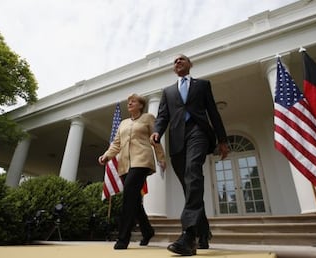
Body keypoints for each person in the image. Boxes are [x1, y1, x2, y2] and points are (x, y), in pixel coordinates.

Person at [150, 54, 229, 256]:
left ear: (190, 65)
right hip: (177, 139)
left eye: (182, 59)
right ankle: (204, 233)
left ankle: (188, 235)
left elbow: (213, 112)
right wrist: (157, 130)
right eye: (175, 61)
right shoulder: (167, 92)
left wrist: (222, 139)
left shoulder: (202, 85)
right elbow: (163, 116)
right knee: (189, 185)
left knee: (193, 173)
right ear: (173, 69)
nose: (177, 62)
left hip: (199, 132)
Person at [98, 93, 166, 250]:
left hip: (142, 161)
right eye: (128, 102)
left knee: (129, 196)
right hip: (124, 164)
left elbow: (155, 140)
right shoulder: (123, 123)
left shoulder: (148, 118)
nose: (129, 103)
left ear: (141, 105)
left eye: (133, 101)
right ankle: (147, 231)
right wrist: (106, 156)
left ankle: (123, 238)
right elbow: (116, 144)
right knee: (134, 201)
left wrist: (161, 158)